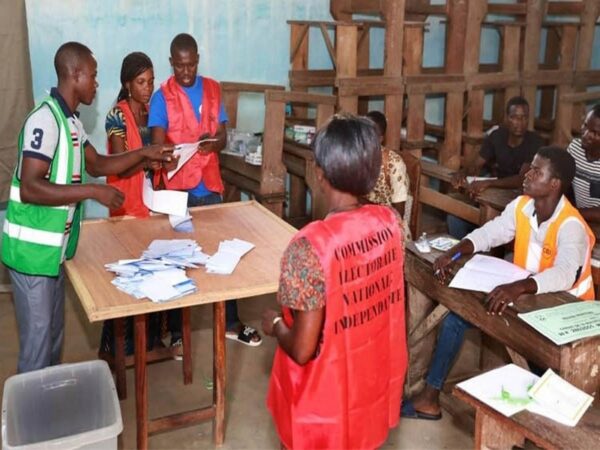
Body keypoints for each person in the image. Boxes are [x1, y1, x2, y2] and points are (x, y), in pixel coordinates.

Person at [1, 42, 173, 373]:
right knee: (37, 347)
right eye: (93, 76)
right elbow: (32, 186)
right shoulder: (45, 121)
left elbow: (98, 163)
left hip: (52, 253)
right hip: (30, 252)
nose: (96, 83)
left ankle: (46, 408)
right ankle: (31, 420)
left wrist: (144, 153)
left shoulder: (72, 124)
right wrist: (93, 192)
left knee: (52, 340)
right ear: (75, 74)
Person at [402, 146, 595, 421]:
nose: (526, 174)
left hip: (567, 311)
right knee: (459, 315)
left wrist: (517, 287)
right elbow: (490, 234)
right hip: (529, 298)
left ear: (555, 184)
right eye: (530, 168)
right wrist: (454, 252)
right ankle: (430, 397)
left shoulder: (571, 225)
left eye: (536, 171)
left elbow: (565, 274)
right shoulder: (523, 207)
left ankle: (539, 421)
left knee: (545, 368)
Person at [262, 114, 407, 449]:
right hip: (368, 380)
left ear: (320, 173)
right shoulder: (390, 224)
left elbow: (302, 349)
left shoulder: (309, 247)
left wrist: (273, 324)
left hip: (320, 402)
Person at [148, 33, 261, 347]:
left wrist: (216, 142)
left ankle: (231, 322)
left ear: (198, 59)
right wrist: (172, 151)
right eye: (180, 66)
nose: (186, 71)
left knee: (220, 252)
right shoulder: (162, 97)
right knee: (177, 258)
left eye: (192, 64)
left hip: (209, 184)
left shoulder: (212, 88)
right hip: (178, 189)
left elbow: (223, 135)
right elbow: (157, 145)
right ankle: (175, 332)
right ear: (172, 63)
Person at [99, 51, 162, 357]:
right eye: (141, 82)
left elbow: (150, 160)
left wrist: (164, 158)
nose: (147, 88)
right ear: (127, 84)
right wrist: (149, 156)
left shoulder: (151, 113)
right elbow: (120, 165)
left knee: (150, 278)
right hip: (125, 207)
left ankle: (146, 344)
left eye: (150, 81)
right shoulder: (117, 116)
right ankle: (116, 348)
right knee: (126, 282)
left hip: (148, 206)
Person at [448, 96, 544, 238]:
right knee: (455, 217)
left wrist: (489, 183)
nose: (520, 123)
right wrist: (462, 173)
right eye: (514, 117)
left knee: (493, 221)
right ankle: (466, 253)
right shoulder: (497, 136)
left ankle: (487, 249)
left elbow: (521, 180)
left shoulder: (535, 142)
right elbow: (476, 165)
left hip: (520, 197)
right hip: (497, 192)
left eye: (524, 118)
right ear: (507, 118)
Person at [364, 110, 412, 240]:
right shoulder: (358, 158)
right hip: (364, 221)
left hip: (389, 228)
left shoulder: (393, 163)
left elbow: (398, 213)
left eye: (369, 134)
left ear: (380, 139)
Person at [566, 104, 600, 223]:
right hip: (579, 218)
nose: (585, 135)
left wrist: (569, 213)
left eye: (595, 133)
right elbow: (562, 183)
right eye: (585, 126)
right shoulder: (574, 149)